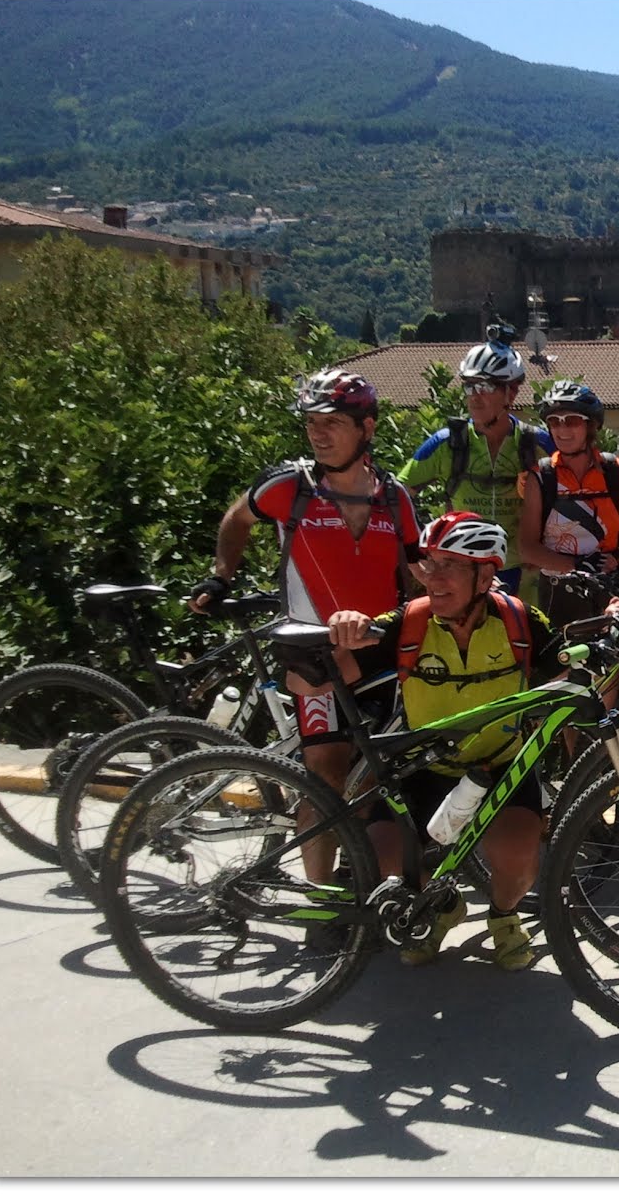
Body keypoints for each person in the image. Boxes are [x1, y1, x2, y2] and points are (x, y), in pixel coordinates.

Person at [327, 511, 619, 970]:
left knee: (518, 850)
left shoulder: (519, 623)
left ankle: (505, 917)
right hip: (423, 765)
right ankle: (439, 907)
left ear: (486, 574)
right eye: (429, 564)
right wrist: (342, 636)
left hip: (499, 764)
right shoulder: (408, 622)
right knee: (376, 853)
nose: (434, 577)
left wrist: (608, 627)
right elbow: (326, 678)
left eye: (450, 566)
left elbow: (572, 672)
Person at [188, 368, 422, 883]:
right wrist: (220, 574)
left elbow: (416, 567)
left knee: (368, 781)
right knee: (325, 779)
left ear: (367, 429)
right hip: (312, 656)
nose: (318, 432)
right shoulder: (288, 487)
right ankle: (319, 900)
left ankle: (356, 887)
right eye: (313, 421)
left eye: (333, 421)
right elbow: (236, 519)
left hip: (378, 656)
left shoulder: (394, 498)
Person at [397, 332, 554, 599]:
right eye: (469, 386)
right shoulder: (446, 443)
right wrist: (419, 556)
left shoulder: (538, 443)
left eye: (485, 387)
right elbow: (396, 499)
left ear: (511, 392)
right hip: (460, 574)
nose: (474, 396)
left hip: (524, 574)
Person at [519, 380, 619, 631]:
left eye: (572, 420)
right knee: (563, 667)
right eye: (555, 421)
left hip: (609, 587)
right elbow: (527, 548)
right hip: (560, 591)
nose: (562, 428)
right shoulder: (542, 476)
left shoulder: (614, 471)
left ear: (590, 426)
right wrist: (576, 566)